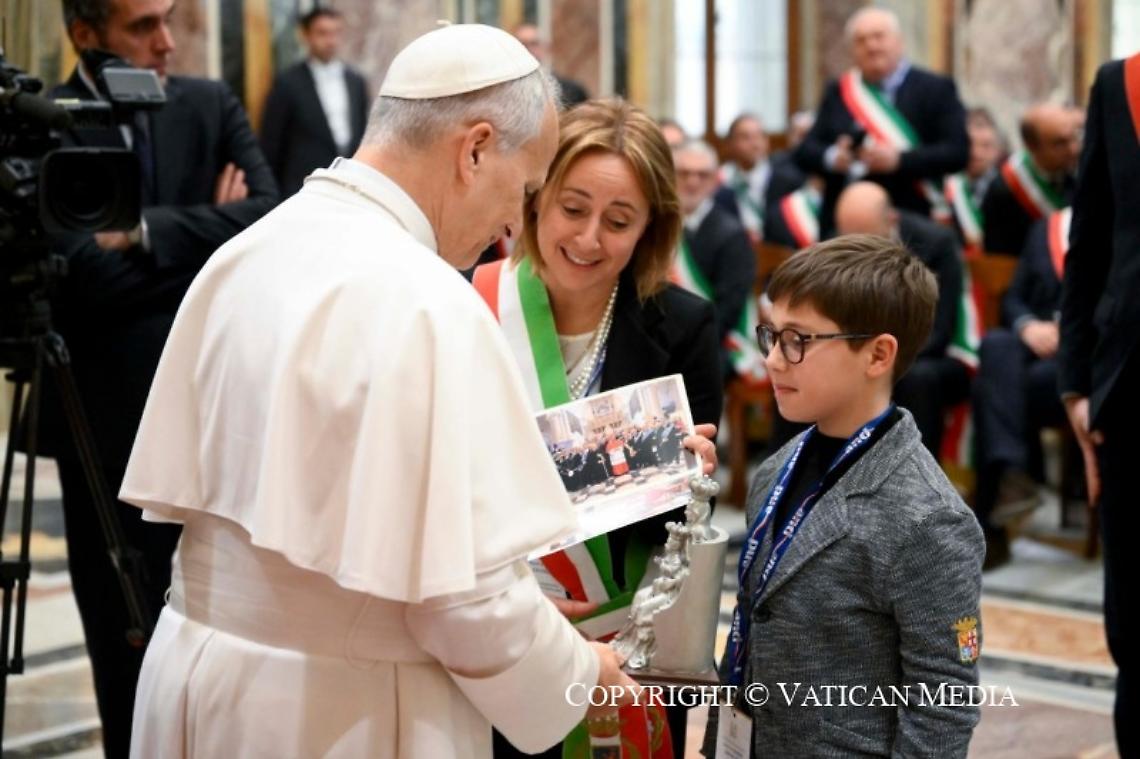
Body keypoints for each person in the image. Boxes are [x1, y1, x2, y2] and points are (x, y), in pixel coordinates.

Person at [118, 24, 636, 758]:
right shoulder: (429, 302)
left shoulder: (245, 252)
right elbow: (463, 602)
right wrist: (583, 670)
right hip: (333, 710)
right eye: (522, 190)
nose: (510, 225)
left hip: (194, 673)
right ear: (476, 147)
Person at [46, 0, 277, 754]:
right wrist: (210, 243)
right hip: (99, 419)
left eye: (170, 19)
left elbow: (272, 214)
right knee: (121, 640)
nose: (167, 42)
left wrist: (143, 233)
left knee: (221, 625)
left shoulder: (207, 103)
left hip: (219, 413)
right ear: (86, 34)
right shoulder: (48, 121)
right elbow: (78, 283)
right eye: (143, 26)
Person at [473, 99, 723, 758]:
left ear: (650, 228)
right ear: (535, 199)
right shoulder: (469, 306)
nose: (588, 240)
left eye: (618, 221)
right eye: (573, 209)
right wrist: (510, 604)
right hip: (492, 621)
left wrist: (689, 482)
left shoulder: (684, 327)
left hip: (628, 636)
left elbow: (685, 531)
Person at [704, 235, 984, 758]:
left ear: (877, 354)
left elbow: (944, 701)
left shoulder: (928, 517)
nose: (773, 360)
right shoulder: (776, 470)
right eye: (771, 335)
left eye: (799, 340)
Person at [1058, 53, 1140, 756]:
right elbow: (1088, 247)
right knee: (1134, 626)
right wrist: (1076, 383)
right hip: (1130, 386)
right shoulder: (1123, 83)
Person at [794, 6, 968, 234]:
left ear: (899, 41)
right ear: (852, 51)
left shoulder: (936, 88)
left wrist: (899, 160)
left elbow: (957, 152)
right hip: (847, 222)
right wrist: (834, 157)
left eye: (879, 36)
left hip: (914, 218)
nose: (871, 46)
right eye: (861, 40)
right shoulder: (839, 91)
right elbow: (805, 151)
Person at [973, 209, 1071, 566]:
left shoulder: (1121, 228)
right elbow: (1015, 297)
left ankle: (996, 509)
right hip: (1036, 349)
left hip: (1083, 359)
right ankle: (1012, 473)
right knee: (998, 345)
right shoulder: (1048, 228)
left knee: (991, 390)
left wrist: (1072, 333)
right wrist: (1029, 326)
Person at [259, 6, 370, 197]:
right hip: (303, 188)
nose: (330, 41)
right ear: (305, 35)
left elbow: (362, 134)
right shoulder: (287, 83)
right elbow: (271, 144)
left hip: (349, 187)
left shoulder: (355, 81)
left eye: (336, 33)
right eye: (322, 33)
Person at [672, 138, 759, 382]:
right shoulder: (658, 227)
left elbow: (728, 309)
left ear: (714, 181)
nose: (692, 182)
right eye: (684, 173)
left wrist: (684, 342)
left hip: (711, 343)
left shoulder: (732, 234)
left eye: (702, 175)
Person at [981, 102, 1079, 256]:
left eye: (1074, 137)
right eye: (1060, 143)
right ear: (1032, 146)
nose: (1073, 149)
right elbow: (1000, 261)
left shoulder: (1078, 173)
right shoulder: (1005, 189)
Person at [714, 112, 804, 243]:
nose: (754, 144)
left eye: (759, 136)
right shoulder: (720, 180)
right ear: (730, 143)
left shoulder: (789, 182)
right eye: (745, 137)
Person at [944, 107, 1005, 258]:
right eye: (970, 145)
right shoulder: (946, 185)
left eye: (985, 146)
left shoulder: (1007, 187)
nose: (975, 153)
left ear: (998, 150)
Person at [513, 21, 589, 107]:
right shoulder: (505, 89)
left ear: (546, 48)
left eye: (534, 43)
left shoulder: (571, 90)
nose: (528, 49)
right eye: (522, 43)